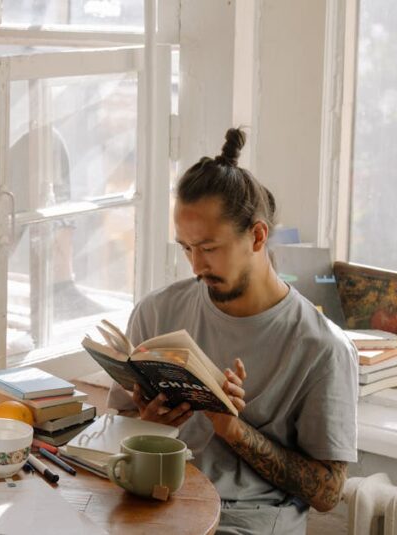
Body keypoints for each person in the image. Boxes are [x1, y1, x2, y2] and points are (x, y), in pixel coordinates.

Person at [107, 128, 358, 534]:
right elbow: (116, 426)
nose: (195, 266)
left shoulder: (322, 347)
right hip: (154, 505)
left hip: (244, 521)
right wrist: (148, 424)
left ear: (257, 236)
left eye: (208, 248)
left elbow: (328, 493)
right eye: (185, 248)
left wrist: (232, 429)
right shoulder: (158, 310)